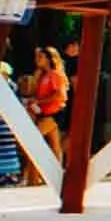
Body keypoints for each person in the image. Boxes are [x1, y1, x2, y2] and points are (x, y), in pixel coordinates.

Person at [27, 46, 68, 184]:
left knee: (33, 142)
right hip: (44, 113)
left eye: (41, 57)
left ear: (50, 59)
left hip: (54, 113)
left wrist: (39, 101)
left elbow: (60, 95)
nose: (38, 60)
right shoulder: (42, 75)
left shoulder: (55, 74)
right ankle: (56, 176)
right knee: (55, 146)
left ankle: (33, 178)